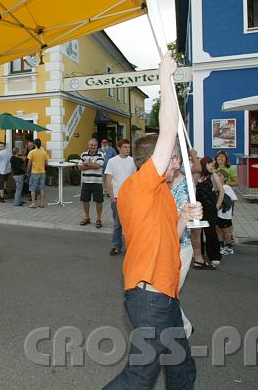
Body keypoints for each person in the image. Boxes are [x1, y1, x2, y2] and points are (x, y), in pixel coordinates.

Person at [104, 52, 200, 389]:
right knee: (141, 376)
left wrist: (184, 217)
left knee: (181, 367)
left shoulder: (161, 192)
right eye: (174, 157)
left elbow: (171, 237)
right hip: (150, 297)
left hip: (165, 295)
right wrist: (165, 77)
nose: (178, 162)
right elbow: (169, 128)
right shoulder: (141, 184)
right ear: (156, 161)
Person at [169, 163, 194, 338]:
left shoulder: (186, 186)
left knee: (168, 293)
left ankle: (184, 328)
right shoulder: (162, 182)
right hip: (164, 247)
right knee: (166, 293)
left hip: (181, 247)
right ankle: (183, 327)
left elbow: (180, 219)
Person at [104, 139, 136, 256]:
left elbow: (135, 180)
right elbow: (108, 180)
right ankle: (116, 246)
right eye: (125, 147)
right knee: (117, 224)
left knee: (130, 224)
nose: (128, 149)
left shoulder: (133, 161)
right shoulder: (112, 161)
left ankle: (131, 246)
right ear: (119, 148)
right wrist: (112, 197)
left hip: (130, 198)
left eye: (128, 147)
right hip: (117, 197)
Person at [196, 157, 224, 268]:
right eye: (210, 165)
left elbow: (221, 190)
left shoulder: (213, 175)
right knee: (197, 232)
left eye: (213, 165)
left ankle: (214, 256)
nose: (212, 167)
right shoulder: (196, 176)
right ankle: (199, 254)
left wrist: (218, 205)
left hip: (210, 208)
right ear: (204, 164)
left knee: (210, 232)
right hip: (197, 208)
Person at [78, 138, 105, 228]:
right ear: (88, 145)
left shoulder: (100, 154)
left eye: (95, 145)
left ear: (97, 146)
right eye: (91, 145)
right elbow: (79, 167)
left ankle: (98, 219)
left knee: (99, 201)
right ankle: (87, 218)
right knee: (85, 200)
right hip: (86, 182)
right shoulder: (83, 154)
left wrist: (86, 164)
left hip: (97, 182)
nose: (93, 147)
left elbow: (98, 166)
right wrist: (92, 165)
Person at [215, 170, 238, 256]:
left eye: (220, 175)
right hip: (218, 214)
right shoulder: (216, 187)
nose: (218, 177)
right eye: (217, 175)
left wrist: (224, 202)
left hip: (225, 215)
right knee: (218, 229)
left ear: (225, 178)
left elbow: (234, 199)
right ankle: (221, 245)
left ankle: (229, 247)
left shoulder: (226, 187)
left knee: (226, 231)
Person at [26, 138, 48, 208]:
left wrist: (27, 171)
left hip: (34, 172)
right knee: (42, 189)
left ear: (34, 144)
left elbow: (29, 163)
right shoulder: (44, 152)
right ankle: (42, 203)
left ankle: (33, 204)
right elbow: (46, 163)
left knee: (33, 189)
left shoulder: (32, 152)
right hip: (42, 172)